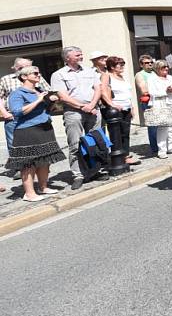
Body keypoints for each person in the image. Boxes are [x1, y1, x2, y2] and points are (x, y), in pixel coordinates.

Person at [5, 66, 66, 202]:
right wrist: (38, 100)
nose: (39, 75)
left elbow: (46, 110)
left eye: (39, 73)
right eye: (35, 73)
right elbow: (17, 112)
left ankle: (43, 187)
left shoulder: (39, 91)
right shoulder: (17, 93)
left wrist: (52, 102)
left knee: (45, 159)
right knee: (28, 162)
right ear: (24, 76)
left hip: (44, 127)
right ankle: (29, 193)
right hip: (27, 130)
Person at [50, 46, 103, 190]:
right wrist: (82, 107)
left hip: (93, 110)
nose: (81, 56)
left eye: (81, 54)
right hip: (73, 112)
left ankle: (94, 171)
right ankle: (78, 175)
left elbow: (98, 89)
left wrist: (91, 105)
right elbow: (62, 96)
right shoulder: (58, 74)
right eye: (77, 54)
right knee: (75, 144)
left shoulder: (89, 71)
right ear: (67, 58)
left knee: (96, 141)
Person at [1, 58, 51, 152]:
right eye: (21, 68)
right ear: (15, 68)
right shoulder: (6, 79)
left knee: (40, 149)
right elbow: (0, 98)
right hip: (14, 118)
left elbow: (48, 93)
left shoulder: (38, 77)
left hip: (35, 118)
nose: (25, 69)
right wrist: (4, 113)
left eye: (28, 67)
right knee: (17, 150)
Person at [101, 56, 140, 166]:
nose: (122, 67)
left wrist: (132, 107)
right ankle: (118, 157)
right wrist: (112, 104)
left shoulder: (121, 77)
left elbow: (127, 94)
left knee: (125, 133)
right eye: (120, 64)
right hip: (116, 110)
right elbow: (103, 91)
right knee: (116, 134)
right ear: (112, 66)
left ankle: (126, 155)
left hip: (126, 108)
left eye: (123, 64)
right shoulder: (107, 76)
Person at [148, 60, 172, 158]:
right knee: (163, 127)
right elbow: (152, 92)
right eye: (163, 67)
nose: (166, 69)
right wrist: (166, 91)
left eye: (167, 67)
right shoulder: (152, 78)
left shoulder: (170, 77)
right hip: (160, 103)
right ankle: (162, 150)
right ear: (157, 69)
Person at [134, 54, 158, 157]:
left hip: (158, 100)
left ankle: (161, 144)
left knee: (161, 124)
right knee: (152, 125)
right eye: (146, 63)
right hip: (148, 101)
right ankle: (154, 148)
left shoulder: (155, 73)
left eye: (151, 62)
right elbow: (144, 90)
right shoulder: (140, 74)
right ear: (141, 64)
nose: (149, 64)